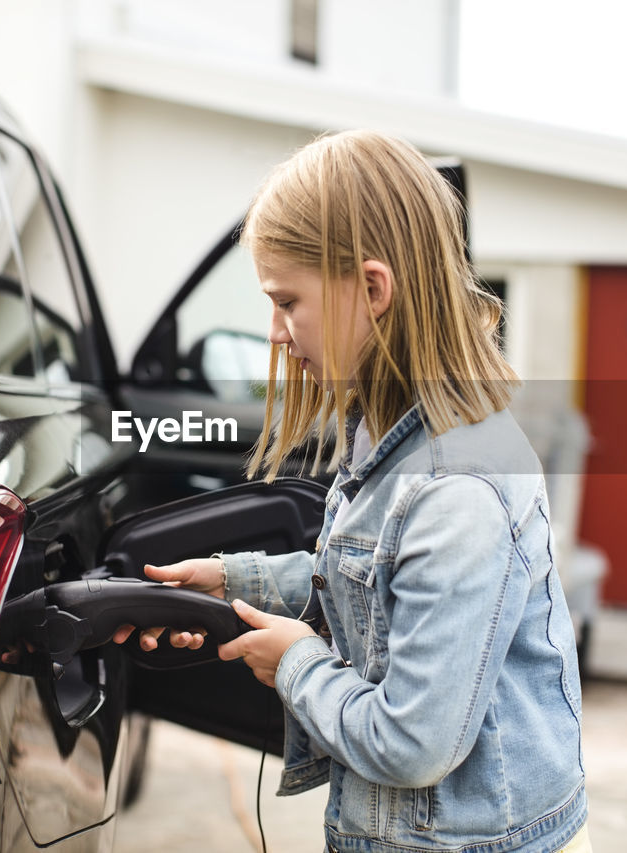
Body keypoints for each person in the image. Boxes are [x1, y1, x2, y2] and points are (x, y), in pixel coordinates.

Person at [114, 130, 589, 853]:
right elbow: (374, 582)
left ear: (372, 288)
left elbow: (413, 742)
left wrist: (297, 661)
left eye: (287, 301)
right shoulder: (390, 432)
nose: (274, 332)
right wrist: (231, 582)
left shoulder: (457, 487)